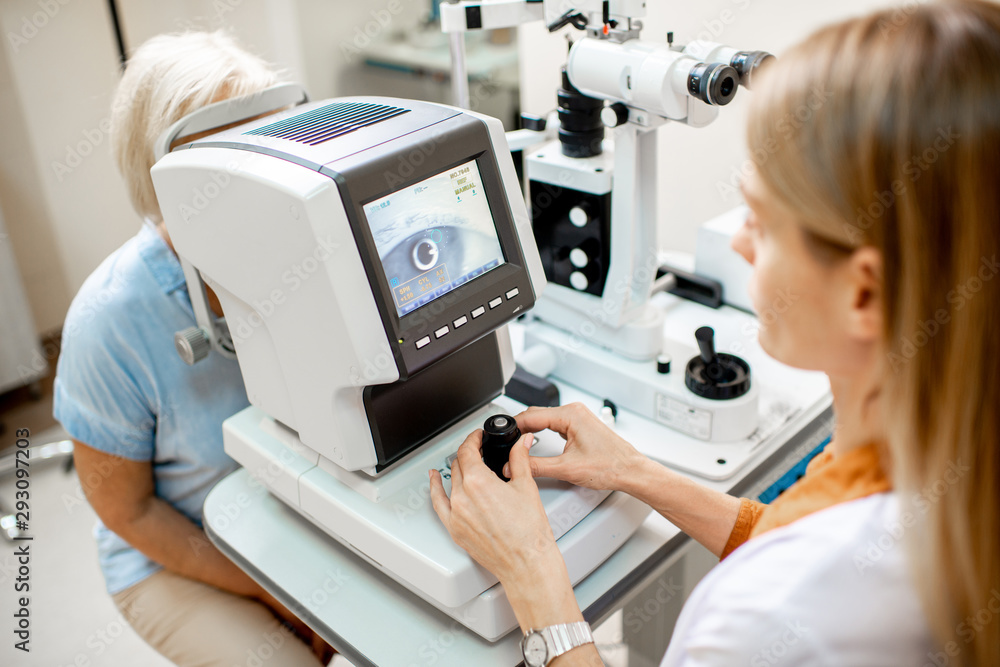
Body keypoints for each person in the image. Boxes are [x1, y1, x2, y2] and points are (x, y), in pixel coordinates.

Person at [429, 1, 1000, 665]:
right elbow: (795, 528)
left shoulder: (779, 611)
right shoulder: (944, 451)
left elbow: (792, 580)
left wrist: (533, 574)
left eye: (760, 219)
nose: (741, 243)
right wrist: (637, 471)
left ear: (864, 292)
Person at [54, 32, 332, 667]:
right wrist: (280, 597)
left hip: (291, 517)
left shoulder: (299, 259)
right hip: (172, 551)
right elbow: (129, 511)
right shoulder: (110, 320)